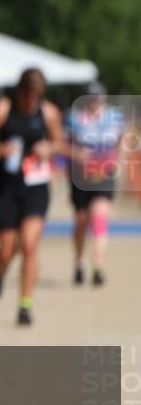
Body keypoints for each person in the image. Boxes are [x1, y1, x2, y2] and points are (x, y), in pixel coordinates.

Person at [0, 68, 65, 326]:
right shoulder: (2, 110)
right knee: (7, 250)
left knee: (29, 245)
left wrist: (49, 147)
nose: (32, 102)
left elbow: (59, 141)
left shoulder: (48, 112)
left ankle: (25, 305)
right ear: (20, 91)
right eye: (29, 96)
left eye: (37, 97)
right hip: (7, 187)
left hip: (36, 187)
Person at [66, 82, 124, 287]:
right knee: (82, 221)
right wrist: (78, 155)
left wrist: (115, 159)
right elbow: (65, 145)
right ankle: (80, 262)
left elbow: (120, 140)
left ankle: (98, 267)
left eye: (98, 99)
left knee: (100, 218)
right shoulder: (74, 119)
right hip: (81, 177)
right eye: (91, 99)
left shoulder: (115, 117)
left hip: (104, 175)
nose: (95, 103)